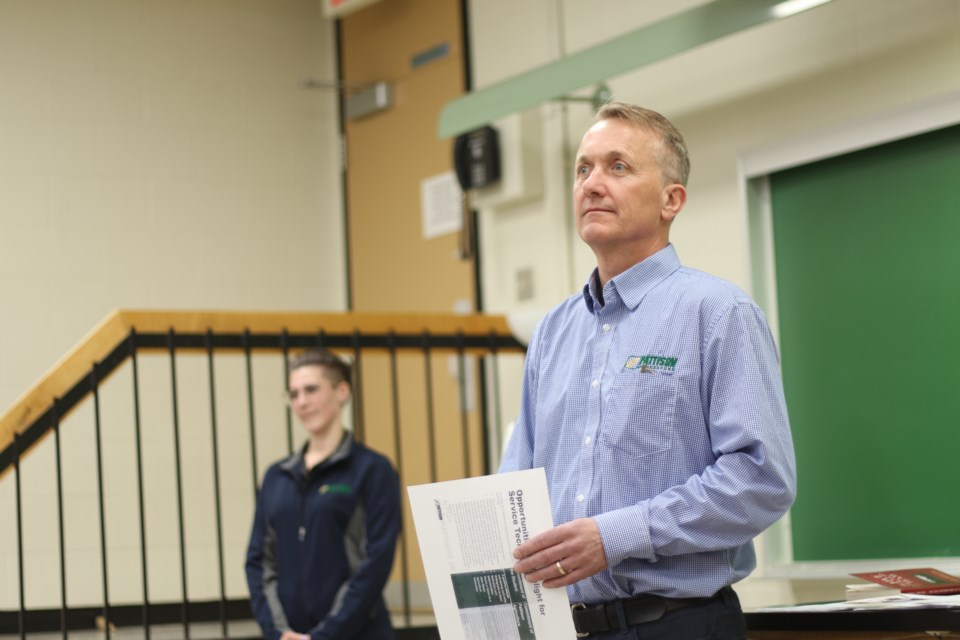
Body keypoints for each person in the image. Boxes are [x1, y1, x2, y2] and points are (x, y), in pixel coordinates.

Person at [499, 102, 797, 639]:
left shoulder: (718, 314)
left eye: (618, 167)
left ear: (671, 200)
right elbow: (514, 486)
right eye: (582, 168)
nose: (591, 184)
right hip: (564, 627)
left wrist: (615, 536)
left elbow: (761, 480)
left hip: (677, 624)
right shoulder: (551, 332)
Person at [246, 349, 401, 640]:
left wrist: (324, 636)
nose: (301, 402)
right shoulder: (276, 476)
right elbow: (259, 561)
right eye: (293, 394)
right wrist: (278, 631)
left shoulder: (373, 470)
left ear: (342, 391)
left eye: (311, 390)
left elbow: (375, 562)